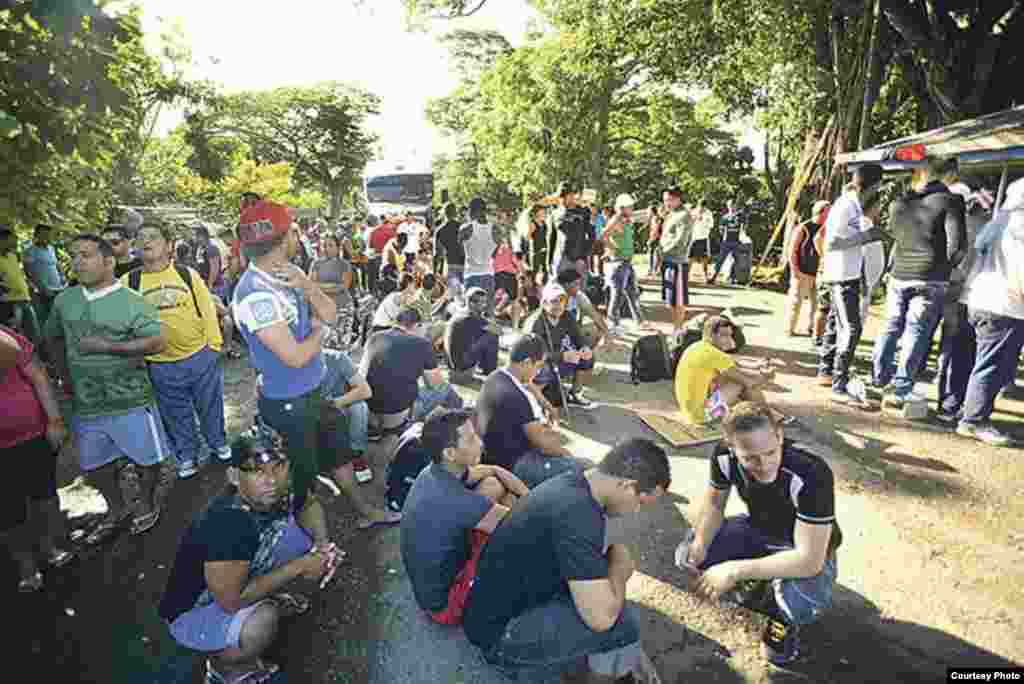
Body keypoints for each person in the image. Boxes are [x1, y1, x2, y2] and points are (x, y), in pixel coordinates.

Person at [232, 200, 399, 538]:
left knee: (339, 457)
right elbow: (295, 355)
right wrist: (320, 332)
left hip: (316, 390)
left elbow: (331, 313)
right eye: (293, 231)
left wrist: (308, 286)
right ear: (283, 239)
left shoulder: (289, 274)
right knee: (301, 482)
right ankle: (318, 548)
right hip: (288, 405)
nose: (298, 237)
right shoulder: (254, 294)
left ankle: (365, 512)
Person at [462, 438, 669, 684]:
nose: (636, 511)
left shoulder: (575, 484)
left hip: (490, 613)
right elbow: (601, 619)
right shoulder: (577, 515)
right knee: (621, 623)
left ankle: (614, 660)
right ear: (627, 485)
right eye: (640, 502)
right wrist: (621, 566)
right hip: (499, 636)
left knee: (608, 593)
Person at [159, 426, 341, 684]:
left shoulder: (287, 482)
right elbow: (230, 601)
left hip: (237, 572)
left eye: (278, 467)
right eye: (256, 471)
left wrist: (322, 546)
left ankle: (267, 595)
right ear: (234, 476)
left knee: (299, 537)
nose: (271, 480)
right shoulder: (229, 523)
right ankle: (224, 666)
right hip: (194, 611)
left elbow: (308, 504)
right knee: (263, 620)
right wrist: (301, 566)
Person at [675, 402, 841, 666]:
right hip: (759, 530)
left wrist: (734, 570)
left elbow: (809, 560)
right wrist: (701, 544)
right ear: (731, 448)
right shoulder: (723, 456)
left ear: (780, 436)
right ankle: (761, 583)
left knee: (797, 603)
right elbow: (715, 503)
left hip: (806, 548)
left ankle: (781, 616)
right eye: (750, 458)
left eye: (771, 452)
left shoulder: (811, 471)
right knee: (687, 553)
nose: (764, 465)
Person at [44, 234, 169, 543]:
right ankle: (116, 509)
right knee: (96, 465)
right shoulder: (65, 301)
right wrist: (64, 376)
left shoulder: (132, 301)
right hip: (86, 404)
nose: (77, 262)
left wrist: (109, 346)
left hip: (131, 400)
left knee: (148, 461)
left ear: (109, 261)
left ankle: (147, 503)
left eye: (86, 255)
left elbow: (157, 342)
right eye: (74, 256)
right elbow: (53, 338)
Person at [401, 409, 528, 625]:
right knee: (520, 540)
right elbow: (530, 523)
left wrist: (526, 494)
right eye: (470, 439)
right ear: (450, 453)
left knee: (494, 485)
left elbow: (493, 470)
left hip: (430, 585)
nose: (480, 442)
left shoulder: (437, 471)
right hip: (445, 605)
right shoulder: (456, 500)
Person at [122, 224, 228, 480]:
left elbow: (207, 310)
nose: (146, 241)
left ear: (169, 245)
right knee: (174, 413)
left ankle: (218, 443)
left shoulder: (186, 274)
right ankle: (187, 455)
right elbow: (125, 322)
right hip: (159, 363)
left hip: (199, 355)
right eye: (141, 238)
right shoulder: (129, 282)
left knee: (210, 405)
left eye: (153, 237)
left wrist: (213, 346)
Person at [871, 157, 967, 409]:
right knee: (916, 332)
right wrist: (946, 269)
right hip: (931, 277)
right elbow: (957, 247)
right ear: (949, 175)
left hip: (899, 273)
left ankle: (879, 379)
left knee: (890, 326)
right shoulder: (951, 201)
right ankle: (901, 388)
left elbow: (896, 238)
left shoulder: (900, 202)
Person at [951, 176, 1024, 446]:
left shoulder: (997, 221)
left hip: (980, 297)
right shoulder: (1020, 226)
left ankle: (966, 411)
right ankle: (973, 421)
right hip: (1004, 305)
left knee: (980, 362)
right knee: (991, 366)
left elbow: (978, 249)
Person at [1, 325, 74, 593]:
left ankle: (49, 547)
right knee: (7, 512)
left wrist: (55, 420)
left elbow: (39, 376)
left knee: (44, 496)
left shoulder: (6, 337)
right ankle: (26, 566)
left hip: (30, 435)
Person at [477, 334, 589, 488]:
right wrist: (568, 456)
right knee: (582, 468)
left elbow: (527, 383)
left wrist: (546, 404)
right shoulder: (516, 397)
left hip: (492, 453)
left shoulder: (495, 376)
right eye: (538, 366)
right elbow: (544, 444)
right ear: (527, 363)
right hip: (513, 464)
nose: (538, 371)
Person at [817, 163, 885, 406]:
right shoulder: (847, 205)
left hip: (847, 273)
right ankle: (839, 384)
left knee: (836, 324)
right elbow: (832, 242)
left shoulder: (852, 203)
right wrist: (867, 237)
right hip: (842, 275)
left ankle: (826, 371)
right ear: (876, 185)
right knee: (851, 329)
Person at [935, 189, 991, 424]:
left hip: (957, 292)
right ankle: (951, 403)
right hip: (966, 295)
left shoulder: (965, 224)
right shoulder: (981, 227)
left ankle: (948, 402)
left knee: (951, 348)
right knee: (961, 351)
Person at [362, 307, 452, 434]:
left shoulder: (374, 338)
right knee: (446, 389)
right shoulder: (423, 344)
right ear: (417, 325)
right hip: (396, 415)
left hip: (368, 412)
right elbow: (434, 384)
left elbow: (361, 376)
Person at [674, 315, 774, 425]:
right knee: (741, 383)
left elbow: (732, 363)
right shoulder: (715, 355)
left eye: (730, 335)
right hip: (702, 416)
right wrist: (766, 377)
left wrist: (755, 366)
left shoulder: (697, 347)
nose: (729, 339)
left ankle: (767, 415)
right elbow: (748, 381)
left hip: (689, 412)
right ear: (711, 335)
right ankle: (770, 418)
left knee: (727, 377)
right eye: (724, 335)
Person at [525, 282, 595, 409]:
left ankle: (575, 393)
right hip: (537, 362)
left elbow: (578, 337)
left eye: (562, 301)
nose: (558, 305)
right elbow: (534, 354)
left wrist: (584, 348)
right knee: (544, 369)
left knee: (587, 358)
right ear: (544, 303)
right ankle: (531, 402)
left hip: (558, 357)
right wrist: (562, 356)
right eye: (554, 301)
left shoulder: (567, 316)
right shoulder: (535, 323)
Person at [784, 201, 829, 337]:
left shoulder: (827, 228)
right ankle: (789, 328)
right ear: (820, 212)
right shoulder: (803, 228)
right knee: (796, 302)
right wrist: (794, 270)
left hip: (820, 272)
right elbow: (792, 250)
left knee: (817, 304)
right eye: (828, 211)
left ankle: (812, 329)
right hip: (803, 271)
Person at [602, 193, 644, 333]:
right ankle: (612, 323)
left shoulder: (625, 219)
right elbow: (603, 234)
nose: (632, 208)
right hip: (619, 262)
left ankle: (639, 321)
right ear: (622, 208)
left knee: (632, 293)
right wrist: (612, 248)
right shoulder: (616, 220)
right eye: (629, 207)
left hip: (626, 262)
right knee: (618, 295)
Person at [658, 187, 695, 333]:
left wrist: (664, 251)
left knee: (678, 300)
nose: (666, 203)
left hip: (677, 262)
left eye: (669, 200)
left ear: (678, 199)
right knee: (671, 299)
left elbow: (681, 241)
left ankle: (678, 330)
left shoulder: (683, 215)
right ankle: (677, 328)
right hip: (668, 260)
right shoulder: (672, 214)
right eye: (664, 200)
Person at [309, 234, 354, 349]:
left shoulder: (344, 264)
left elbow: (344, 286)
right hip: (321, 310)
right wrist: (332, 286)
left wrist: (320, 287)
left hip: (342, 308)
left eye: (330, 245)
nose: (326, 248)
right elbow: (311, 285)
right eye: (324, 245)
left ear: (338, 248)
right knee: (323, 345)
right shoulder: (316, 264)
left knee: (341, 344)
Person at [445, 286, 500, 380]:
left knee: (483, 334)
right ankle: (491, 373)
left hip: (452, 366)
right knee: (492, 336)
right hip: (462, 368)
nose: (485, 305)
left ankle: (484, 367)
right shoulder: (473, 317)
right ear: (471, 303)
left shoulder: (459, 313)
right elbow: (498, 331)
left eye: (485, 302)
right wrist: (488, 318)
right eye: (482, 303)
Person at [0, 225, 41, 342]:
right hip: (9, 303)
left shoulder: (13, 256)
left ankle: (35, 352)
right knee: (12, 334)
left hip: (25, 298)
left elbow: (17, 275)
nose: (11, 242)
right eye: (7, 239)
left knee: (34, 334)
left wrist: (28, 285)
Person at [22, 224, 67, 329]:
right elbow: (29, 272)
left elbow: (56, 265)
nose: (47, 237)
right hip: (43, 291)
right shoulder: (30, 251)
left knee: (59, 318)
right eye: (44, 234)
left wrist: (63, 277)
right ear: (36, 235)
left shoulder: (51, 249)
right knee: (45, 320)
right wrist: (42, 287)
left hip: (58, 288)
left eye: (48, 235)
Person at [460, 197, 500, 310]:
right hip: (489, 274)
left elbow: (461, 252)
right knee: (489, 311)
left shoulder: (465, 229)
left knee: (470, 312)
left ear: (472, 211)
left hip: (471, 274)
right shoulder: (496, 229)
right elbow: (494, 254)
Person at [548, 181, 593, 277]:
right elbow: (552, 238)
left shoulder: (583, 212)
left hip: (578, 260)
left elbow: (592, 235)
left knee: (579, 286)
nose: (563, 199)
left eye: (566, 195)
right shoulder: (555, 213)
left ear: (572, 195)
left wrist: (584, 256)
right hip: (561, 260)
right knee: (559, 286)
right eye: (561, 196)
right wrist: (548, 262)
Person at [557, 268, 609, 350]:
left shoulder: (578, 295)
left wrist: (607, 334)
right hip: (557, 333)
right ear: (566, 285)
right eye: (576, 284)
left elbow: (594, 315)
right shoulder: (555, 296)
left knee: (596, 328)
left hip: (571, 330)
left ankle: (584, 351)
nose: (579, 287)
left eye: (579, 284)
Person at [710, 199, 746, 285]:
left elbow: (743, 228)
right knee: (720, 260)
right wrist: (724, 235)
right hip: (726, 242)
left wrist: (742, 237)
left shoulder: (740, 217)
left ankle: (732, 278)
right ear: (727, 206)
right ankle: (714, 277)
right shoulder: (725, 217)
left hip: (736, 241)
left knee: (736, 260)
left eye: (733, 205)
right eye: (730, 205)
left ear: (735, 206)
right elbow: (721, 229)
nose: (731, 207)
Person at [434, 202, 466, 302]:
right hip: (465, 264)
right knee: (466, 294)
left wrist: (435, 271)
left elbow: (438, 254)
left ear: (445, 214)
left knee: (455, 296)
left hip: (451, 265)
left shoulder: (440, 230)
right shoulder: (463, 228)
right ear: (455, 213)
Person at [195, 224, 227, 300]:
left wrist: (210, 285)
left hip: (215, 287)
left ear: (203, 236)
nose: (195, 238)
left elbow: (214, 269)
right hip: (210, 285)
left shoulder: (211, 249)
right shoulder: (203, 248)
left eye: (196, 236)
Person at [690, 200, 714, 282]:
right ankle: (686, 276)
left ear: (705, 206)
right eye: (700, 206)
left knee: (705, 259)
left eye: (703, 207)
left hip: (704, 238)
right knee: (690, 258)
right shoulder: (693, 212)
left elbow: (711, 225)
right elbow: (688, 223)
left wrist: (703, 220)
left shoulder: (708, 213)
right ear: (698, 205)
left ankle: (705, 277)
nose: (701, 208)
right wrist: (694, 219)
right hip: (693, 238)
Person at [527, 204, 549, 283]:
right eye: (542, 212)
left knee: (545, 268)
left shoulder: (543, 222)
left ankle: (544, 283)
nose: (544, 213)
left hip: (544, 247)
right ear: (537, 213)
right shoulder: (533, 223)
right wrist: (533, 247)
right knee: (535, 269)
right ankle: (533, 284)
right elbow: (528, 237)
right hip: (537, 249)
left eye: (544, 212)